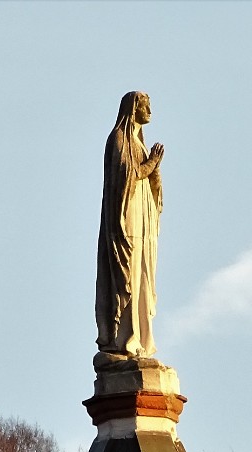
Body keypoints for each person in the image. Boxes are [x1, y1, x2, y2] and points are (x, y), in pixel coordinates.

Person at [95, 91, 164, 363]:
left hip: (144, 220)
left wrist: (154, 167)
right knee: (128, 276)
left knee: (143, 276)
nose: (150, 111)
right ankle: (124, 338)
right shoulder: (120, 139)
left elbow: (150, 185)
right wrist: (152, 162)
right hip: (127, 221)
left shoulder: (139, 143)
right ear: (134, 108)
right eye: (146, 106)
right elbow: (129, 175)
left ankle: (141, 340)